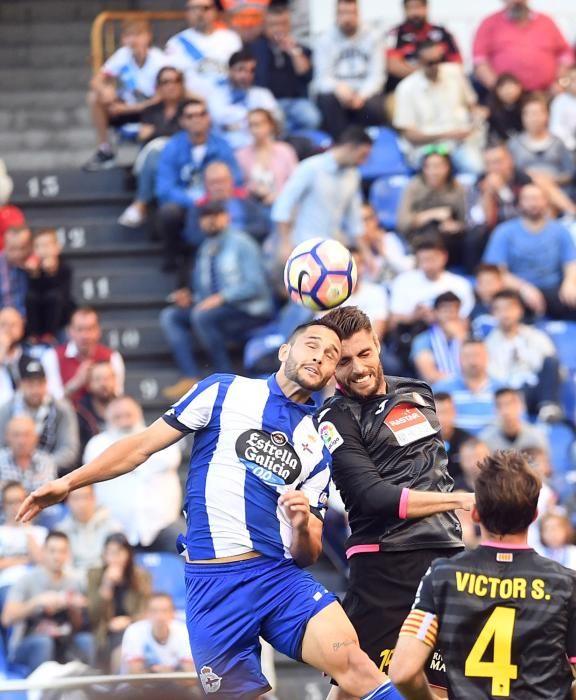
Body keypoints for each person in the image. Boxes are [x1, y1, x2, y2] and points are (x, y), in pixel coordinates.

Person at [17, 319, 408, 700]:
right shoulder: (223, 390)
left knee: (356, 665)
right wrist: (68, 482)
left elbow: (309, 554)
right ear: (284, 350)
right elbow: (140, 447)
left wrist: (302, 523)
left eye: (330, 355)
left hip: (277, 578)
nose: (320, 357)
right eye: (312, 345)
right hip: (213, 587)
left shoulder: (317, 444)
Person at [317, 305, 471, 698]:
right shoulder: (334, 417)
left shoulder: (418, 392)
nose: (357, 368)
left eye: (364, 354)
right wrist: (457, 501)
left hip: (445, 558)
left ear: (378, 344)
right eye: (344, 361)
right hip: (385, 563)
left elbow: (429, 469)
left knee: (441, 685)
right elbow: (374, 497)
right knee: (357, 684)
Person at [389, 450, 576, 699]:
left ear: (475, 514)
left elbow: (402, 672)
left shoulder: (442, 576)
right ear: (533, 516)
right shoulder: (565, 584)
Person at [161, 200, 273, 398]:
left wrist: (222, 298)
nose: (211, 220)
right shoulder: (205, 249)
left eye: (216, 215)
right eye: (206, 216)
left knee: (202, 317)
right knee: (171, 316)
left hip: (250, 310)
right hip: (219, 311)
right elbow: (205, 293)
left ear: (226, 217)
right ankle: (190, 376)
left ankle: (225, 379)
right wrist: (191, 297)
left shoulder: (243, 243)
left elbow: (255, 285)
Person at [83, 396, 183, 552]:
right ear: (107, 418)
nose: (124, 421)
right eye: (117, 416)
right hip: (115, 528)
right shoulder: (97, 444)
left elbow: (170, 459)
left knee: (195, 553)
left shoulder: (160, 436)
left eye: (128, 415)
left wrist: (121, 462)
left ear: (139, 415)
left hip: (163, 523)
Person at [155, 98, 242, 272]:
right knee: (169, 212)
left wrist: (212, 196)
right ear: (182, 121)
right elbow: (164, 188)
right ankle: (174, 259)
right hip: (187, 203)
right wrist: (194, 200)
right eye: (190, 116)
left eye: (201, 114)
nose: (197, 119)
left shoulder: (222, 145)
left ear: (208, 118)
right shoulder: (172, 146)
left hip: (216, 202)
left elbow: (236, 178)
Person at [2, 531, 94, 676]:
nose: (57, 557)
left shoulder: (74, 582)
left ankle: (90, 691)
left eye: (62, 551)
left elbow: (79, 626)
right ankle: (41, 693)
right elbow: (7, 618)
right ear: (43, 552)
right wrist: (36, 602)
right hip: (30, 642)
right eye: (52, 551)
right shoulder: (26, 580)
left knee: (86, 640)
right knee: (44, 643)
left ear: (68, 554)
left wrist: (73, 608)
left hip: (64, 640)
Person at [271, 125, 372, 254]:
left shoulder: (353, 175)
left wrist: (366, 253)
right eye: (363, 155)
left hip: (331, 249)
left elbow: (354, 218)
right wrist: (285, 243)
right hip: (303, 247)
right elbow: (283, 205)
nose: (363, 162)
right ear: (350, 147)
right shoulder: (311, 167)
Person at [482, 183, 576, 320]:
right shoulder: (504, 232)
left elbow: (571, 262)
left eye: (538, 198)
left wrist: (570, 282)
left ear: (546, 202)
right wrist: (524, 288)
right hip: (518, 291)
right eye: (528, 199)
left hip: (555, 288)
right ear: (519, 203)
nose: (534, 204)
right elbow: (496, 271)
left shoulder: (560, 230)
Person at [84, 19, 167, 171]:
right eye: (129, 35)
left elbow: (163, 97)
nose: (133, 40)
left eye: (138, 35)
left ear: (148, 37)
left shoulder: (159, 60)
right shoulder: (123, 55)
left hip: (151, 109)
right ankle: (105, 149)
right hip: (127, 106)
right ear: (123, 39)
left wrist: (127, 109)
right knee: (94, 97)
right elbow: (96, 81)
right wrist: (105, 89)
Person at [393, 40, 485, 174]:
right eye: (430, 63)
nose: (436, 66)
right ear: (418, 63)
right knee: (436, 171)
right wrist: (447, 135)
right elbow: (409, 135)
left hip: (460, 143)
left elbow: (472, 105)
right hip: (428, 148)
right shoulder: (406, 88)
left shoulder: (455, 73)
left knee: (478, 169)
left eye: (439, 60)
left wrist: (477, 116)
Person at [118, 66, 188, 229]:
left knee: (156, 148)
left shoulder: (189, 108)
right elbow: (142, 135)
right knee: (156, 154)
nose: (171, 85)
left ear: (182, 85)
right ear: (158, 87)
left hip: (182, 159)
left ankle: (140, 204)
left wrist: (156, 132)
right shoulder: (151, 110)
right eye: (165, 81)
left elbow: (185, 135)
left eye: (175, 81)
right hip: (158, 164)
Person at [314, 0, 386, 140]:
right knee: (328, 101)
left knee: (375, 107)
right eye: (343, 13)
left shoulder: (373, 37)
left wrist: (362, 95)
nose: (347, 18)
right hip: (338, 92)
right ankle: (342, 145)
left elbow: (378, 76)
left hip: (363, 91)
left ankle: (366, 144)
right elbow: (321, 78)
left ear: (358, 14)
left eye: (351, 13)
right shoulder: (324, 39)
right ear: (336, 15)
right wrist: (338, 88)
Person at [485, 289, 562, 417]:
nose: (505, 314)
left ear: (520, 310)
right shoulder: (488, 343)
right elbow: (493, 376)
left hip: (537, 389)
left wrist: (525, 356)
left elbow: (551, 368)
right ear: (493, 314)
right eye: (499, 309)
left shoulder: (537, 336)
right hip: (510, 391)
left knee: (551, 361)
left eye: (509, 308)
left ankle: (548, 408)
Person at [0, 356, 79, 476]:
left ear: (46, 383)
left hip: (52, 473)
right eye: (30, 384)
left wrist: (43, 466)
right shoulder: (6, 409)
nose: (36, 390)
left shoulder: (61, 409)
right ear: (20, 384)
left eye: (40, 384)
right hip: (10, 473)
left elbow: (69, 449)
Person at [472, 0, 573, 93]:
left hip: (545, 95)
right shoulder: (489, 23)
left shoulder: (546, 21)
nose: (517, 1)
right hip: (507, 100)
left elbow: (566, 55)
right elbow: (480, 60)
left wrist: (559, 82)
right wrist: (498, 88)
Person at [249, 3, 320, 132]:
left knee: (312, 118)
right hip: (270, 102)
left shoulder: (299, 48)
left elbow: (306, 74)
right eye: (273, 24)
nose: (278, 29)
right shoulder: (255, 48)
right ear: (265, 26)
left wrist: (294, 51)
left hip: (296, 101)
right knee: (280, 126)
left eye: (282, 24)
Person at [87, 532, 151, 671]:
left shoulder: (141, 576)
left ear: (128, 554)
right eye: (109, 553)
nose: (114, 558)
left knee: (127, 638)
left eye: (118, 553)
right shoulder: (94, 575)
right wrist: (106, 585)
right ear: (103, 555)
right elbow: (93, 615)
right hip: (104, 630)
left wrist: (129, 621)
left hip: (133, 627)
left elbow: (146, 610)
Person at [396, 149, 468, 266]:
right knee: (432, 230)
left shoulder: (457, 188)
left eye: (439, 166)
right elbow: (403, 223)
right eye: (430, 167)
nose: (434, 171)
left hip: (451, 239)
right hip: (420, 236)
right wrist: (431, 214)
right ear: (424, 169)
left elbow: (467, 221)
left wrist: (456, 227)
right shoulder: (413, 187)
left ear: (448, 167)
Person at [43, 306, 125, 404]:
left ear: (98, 331)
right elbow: (50, 401)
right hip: (67, 416)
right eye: (79, 329)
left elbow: (118, 396)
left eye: (90, 329)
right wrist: (76, 383)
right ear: (69, 332)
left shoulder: (112, 357)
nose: (85, 336)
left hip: (102, 415)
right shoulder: (52, 357)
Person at [389, 236, 475, 328]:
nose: (427, 266)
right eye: (422, 260)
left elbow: (465, 321)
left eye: (431, 259)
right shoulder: (403, 281)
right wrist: (414, 316)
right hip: (413, 333)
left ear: (444, 257)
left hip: (448, 335)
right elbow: (394, 319)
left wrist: (439, 317)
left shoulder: (460, 284)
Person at [207, 47, 281, 151]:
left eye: (251, 71)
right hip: (228, 151)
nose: (246, 75)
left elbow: (274, 122)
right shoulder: (216, 95)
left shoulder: (262, 94)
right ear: (230, 70)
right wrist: (255, 121)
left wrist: (235, 124)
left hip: (261, 150)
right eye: (240, 69)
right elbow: (219, 120)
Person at [165, 0, 241, 99]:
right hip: (192, 106)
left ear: (215, 11)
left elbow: (242, 74)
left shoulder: (231, 39)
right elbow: (171, 81)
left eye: (205, 8)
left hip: (229, 103)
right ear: (187, 13)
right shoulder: (175, 43)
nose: (199, 13)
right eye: (193, 9)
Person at [384, 0, 462, 95]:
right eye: (410, 8)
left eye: (418, 7)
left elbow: (456, 65)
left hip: (441, 88)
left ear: (426, 8)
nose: (415, 13)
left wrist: (435, 71)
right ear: (404, 10)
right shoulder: (394, 35)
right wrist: (424, 74)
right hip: (404, 91)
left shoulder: (443, 33)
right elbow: (393, 66)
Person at [508, 92, 575, 189]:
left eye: (537, 113)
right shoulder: (514, 144)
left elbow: (570, 173)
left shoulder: (558, 143)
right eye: (529, 114)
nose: (534, 119)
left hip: (557, 189)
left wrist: (552, 180)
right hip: (526, 192)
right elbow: (509, 174)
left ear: (547, 115)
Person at [434, 339, 500, 435]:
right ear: (459, 359)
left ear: (487, 357)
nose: (473, 361)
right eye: (467, 356)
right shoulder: (441, 389)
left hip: (493, 446)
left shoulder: (501, 389)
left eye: (477, 355)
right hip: (454, 446)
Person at [236, 109, 298, 207]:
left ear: (270, 125)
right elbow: (238, 186)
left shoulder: (285, 151)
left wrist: (277, 196)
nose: (254, 130)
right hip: (253, 207)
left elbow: (295, 182)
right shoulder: (241, 155)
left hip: (282, 204)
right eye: (251, 125)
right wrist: (253, 190)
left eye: (258, 124)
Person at [57, 485, 123, 576]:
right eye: (76, 498)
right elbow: (64, 567)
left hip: (105, 580)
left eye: (85, 497)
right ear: (68, 501)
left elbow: (118, 561)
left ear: (94, 498)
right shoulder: (62, 531)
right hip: (74, 583)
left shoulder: (112, 527)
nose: (82, 504)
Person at [121, 592, 194, 673]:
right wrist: (157, 673)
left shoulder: (183, 631)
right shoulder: (134, 631)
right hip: (143, 685)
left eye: (165, 611)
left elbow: (189, 676)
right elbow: (134, 678)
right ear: (146, 613)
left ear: (173, 613)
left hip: (175, 685)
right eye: (154, 611)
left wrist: (168, 673)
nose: (160, 617)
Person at [24, 228, 75, 343]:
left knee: (54, 296)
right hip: (39, 314)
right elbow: (33, 292)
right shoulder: (32, 267)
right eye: (38, 246)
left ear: (57, 248)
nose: (43, 250)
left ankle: (50, 334)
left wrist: (51, 273)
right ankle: (33, 334)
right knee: (31, 297)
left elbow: (64, 293)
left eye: (47, 245)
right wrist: (34, 275)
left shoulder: (65, 267)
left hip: (60, 316)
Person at [411, 291, 468, 384]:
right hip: (438, 392)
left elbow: (477, 365)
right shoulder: (422, 340)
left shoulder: (467, 337)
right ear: (435, 313)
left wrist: (461, 337)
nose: (450, 315)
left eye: (454, 310)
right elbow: (430, 376)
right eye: (446, 310)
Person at [0, 481, 46, 588]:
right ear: (4, 506)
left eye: (19, 501)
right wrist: (26, 560)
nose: (15, 506)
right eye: (11, 502)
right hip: (7, 584)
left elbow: (40, 562)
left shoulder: (40, 532)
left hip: (35, 586)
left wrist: (27, 528)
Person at [480, 387, 549, 453]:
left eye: (509, 404)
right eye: (499, 405)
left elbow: (544, 464)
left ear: (521, 405)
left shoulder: (536, 437)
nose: (505, 410)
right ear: (494, 409)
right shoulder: (486, 439)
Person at [361, 203, 414, 286]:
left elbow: (409, 269)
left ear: (375, 220)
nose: (364, 225)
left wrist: (384, 253)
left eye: (367, 219)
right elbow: (368, 285)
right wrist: (366, 251)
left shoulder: (391, 238)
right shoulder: (355, 249)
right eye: (359, 221)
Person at [0, 415, 57, 493]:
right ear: (7, 436)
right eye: (16, 435)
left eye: (26, 435)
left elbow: (49, 492)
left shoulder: (46, 460)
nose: (21, 441)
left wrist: (8, 486)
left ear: (35, 437)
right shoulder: (1, 459)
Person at [76, 361, 118, 453]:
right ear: (89, 384)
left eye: (107, 378)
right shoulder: (80, 412)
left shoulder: (124, 407)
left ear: (115, 381)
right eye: (98, 379)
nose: (103, 384)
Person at [434, 392, 473, 481]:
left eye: (447, 412)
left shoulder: (466, 440)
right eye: (438, 413)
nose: (443, 418)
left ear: (454, 412)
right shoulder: (423, 443)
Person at [0, 225, 32, 317]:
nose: (18, 254)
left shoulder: (38, 263)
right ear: (5, 245)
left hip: (32, 322)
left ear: (30, 246)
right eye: (12, 249)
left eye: (22, 248)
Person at [470, 263, 505, 340]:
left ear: (501, 283)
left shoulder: (512, 307)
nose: (487, 287)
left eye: (490, 282)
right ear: (476, 286)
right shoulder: (472, 311)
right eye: (482, 283)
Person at [486, 72, 524, 144]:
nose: (508, 91)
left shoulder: (525, 104)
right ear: (497, 90)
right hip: (500, 142)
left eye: (511, 87)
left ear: (519, 87)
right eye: (504, 88)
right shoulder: (490, 107)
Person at [550, 66, 576, 152]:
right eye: (572, 79)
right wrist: (572, 144)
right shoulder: (559, 101)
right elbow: (555, 127)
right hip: (568, 147)